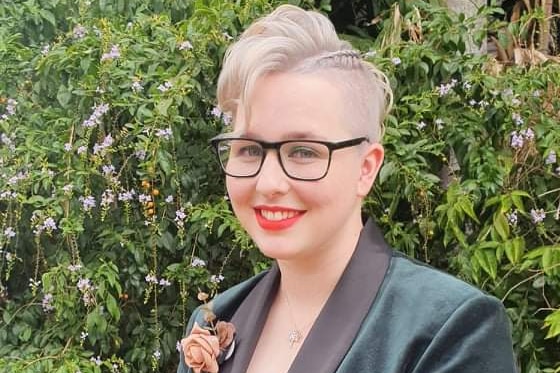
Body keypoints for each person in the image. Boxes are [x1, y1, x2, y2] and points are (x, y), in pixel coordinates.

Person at [177, 4, 517, 373]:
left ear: (366, 169)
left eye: (303, 152)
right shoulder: (216, 320)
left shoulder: (447, 327)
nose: (269, 183)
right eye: (249, 150)